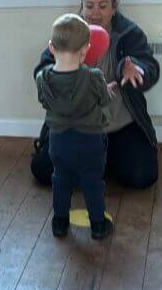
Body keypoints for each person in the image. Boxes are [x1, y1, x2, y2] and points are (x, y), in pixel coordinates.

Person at [31, 0, 160, 190]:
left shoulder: (130, 33)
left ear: (114, 7)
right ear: (81, 6)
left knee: (142, 176)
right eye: (89, 6)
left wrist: (134, 68)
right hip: (74, 126)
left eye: (103, 6)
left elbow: (150, 68)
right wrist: (63, 69)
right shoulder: (67, 31)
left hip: (119, 125)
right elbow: (42, 70)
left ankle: (99, 160)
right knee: (42, 170)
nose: (95, 13)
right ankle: (93, 162)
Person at [36, 14, 113, 240]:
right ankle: (98, 225)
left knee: (60, 179)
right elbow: (104, 101)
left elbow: (44, 101)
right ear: (85, 50)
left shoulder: (43, 78)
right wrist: (103, 89)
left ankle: (59, 223)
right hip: (89, 141)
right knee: (92, 182)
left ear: (51, 47)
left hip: (58, 140)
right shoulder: (94, 77)